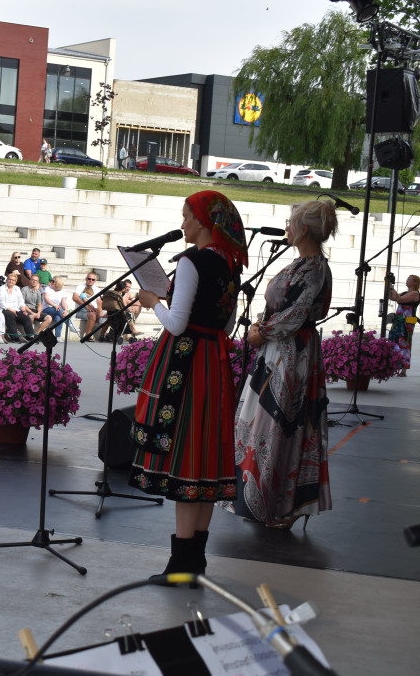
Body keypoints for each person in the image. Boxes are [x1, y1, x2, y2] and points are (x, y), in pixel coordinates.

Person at [128, 190, 248, 579]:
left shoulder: (193, 261)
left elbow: (177, 324)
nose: (182, 224)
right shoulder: (230, 265)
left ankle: (180, 565)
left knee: (185, 460)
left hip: (187, 362)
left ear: (202, 220)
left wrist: (153, 302)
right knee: (207, 459)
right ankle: (193, 561)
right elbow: (225, 324)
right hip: (214, 361)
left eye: (186, 216)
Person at [231, 200, 338, 530]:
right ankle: (260, 498)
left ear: (304, 228)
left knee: (282, 426)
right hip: (277, 353)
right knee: (261, 425)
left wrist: (260, 332)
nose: (287, 227)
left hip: (292, 355)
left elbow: (294, 315)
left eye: (291, 222)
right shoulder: (300, 263)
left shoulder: (315, 267)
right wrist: (260, 329)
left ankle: (279, 504)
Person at [387, 274, 419, 372]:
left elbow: (400, 299)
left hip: (407, 321)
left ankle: (403, 368)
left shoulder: (415, 293)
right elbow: (393, 297)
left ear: (415, 283)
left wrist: (392, 287)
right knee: (394, 340)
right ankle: (393, 365)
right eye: (407, 279)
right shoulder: (405, 292)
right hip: (399, 319)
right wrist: (388, 286)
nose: (407, 280)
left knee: (405, 341)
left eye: (410, 279)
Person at [0, 271, 34, 342]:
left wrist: (23, 310)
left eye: (13, 280)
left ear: (15, 281)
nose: (11, 281)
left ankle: (30, 336)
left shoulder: (17, 288)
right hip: (5, 309)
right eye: (9, 279)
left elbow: (21, 302)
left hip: (16, 309)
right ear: (7, 280)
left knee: (26, 317)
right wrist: (11, 310)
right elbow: (2, 303)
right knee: (10, 316)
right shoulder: (2, 289)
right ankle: (14, 337)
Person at [73, 272, 103, 337]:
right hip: (81, 311)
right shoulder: (80, 287)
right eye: (89, 279)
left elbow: (99, 301)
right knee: (92, 315)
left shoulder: (97, 289)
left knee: (110, 314)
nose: (90, 281)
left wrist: (100, 311)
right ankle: (88, 335)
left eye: (93, 279)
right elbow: (75, 298)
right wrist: (86, 306)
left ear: (95, 281)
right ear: (86, 279)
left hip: (94, 310)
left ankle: (103, 335)